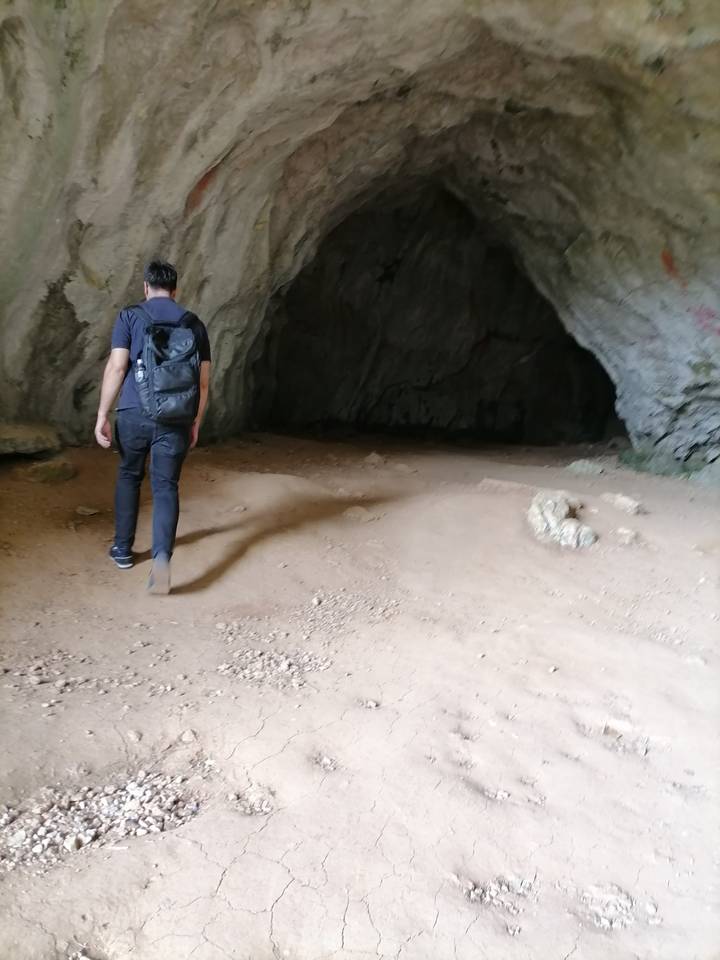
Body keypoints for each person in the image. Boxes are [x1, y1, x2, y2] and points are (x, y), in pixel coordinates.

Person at [94, 260, 211, 594]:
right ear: (175, 290)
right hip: (175, 419)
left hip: (133, 413)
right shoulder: (194, 324)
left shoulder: (130, 316)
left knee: (129, 474)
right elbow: (202, 383)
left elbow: (117, 367)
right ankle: (161, 562)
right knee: (165, 486)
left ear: (146, 287)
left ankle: (122, 550)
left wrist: (103, 413)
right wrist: (195, 421)